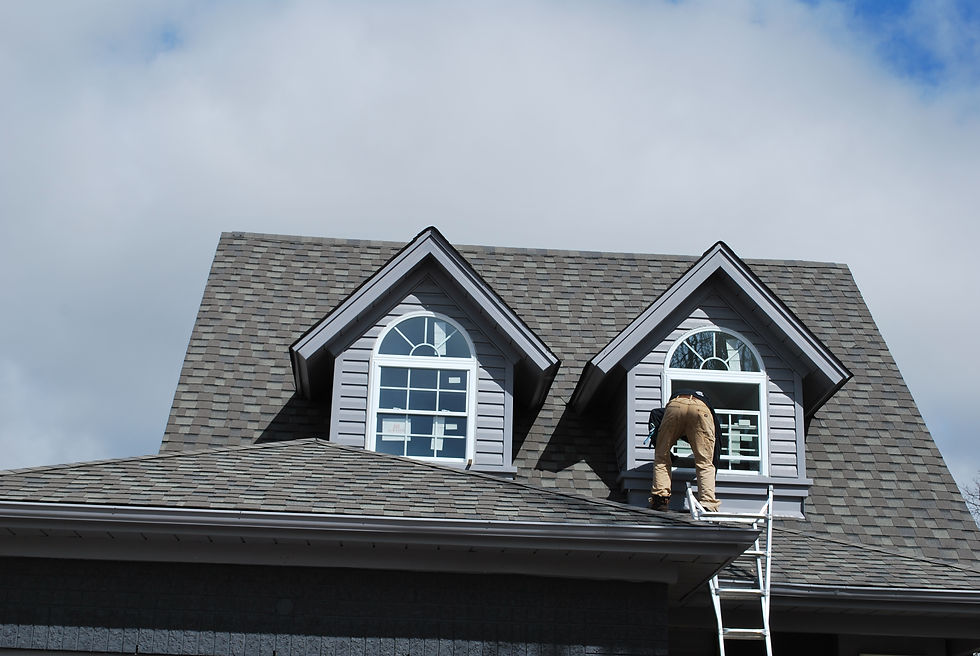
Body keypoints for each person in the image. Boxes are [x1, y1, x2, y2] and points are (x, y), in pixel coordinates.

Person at [649, 389, 721, 512]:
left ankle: (660, 499)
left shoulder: (662, 412)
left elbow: (655, 414)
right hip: (701, 408)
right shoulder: (710, 413)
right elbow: (717, 443)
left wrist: (661, 448)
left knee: (662, 458)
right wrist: (713, 463)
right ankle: (708, 505)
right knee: (705, 463)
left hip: (675, 405)